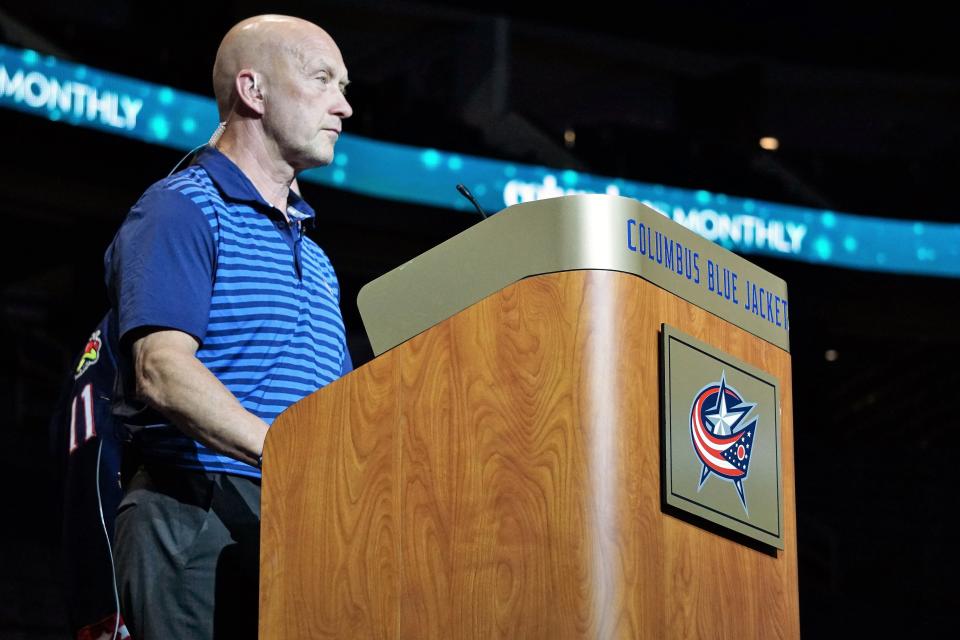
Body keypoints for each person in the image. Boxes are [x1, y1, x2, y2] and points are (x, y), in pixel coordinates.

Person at [106, 15, 353, 639]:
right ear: (253, 90)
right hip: (194, 509)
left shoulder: (318, 256)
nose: (344, 106)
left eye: (344, 86)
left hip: (296, 517)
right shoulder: (181, 207)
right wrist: (287, 452)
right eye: (322, 79)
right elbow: (160, 369)